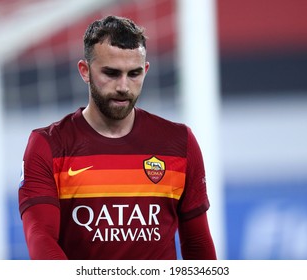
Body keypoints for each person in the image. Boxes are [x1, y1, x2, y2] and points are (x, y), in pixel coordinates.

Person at [18, 15, 217, 260]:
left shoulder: (179, 143)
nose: (123, 86)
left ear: (145, 70)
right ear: (85, 71)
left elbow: (197, 244)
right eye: (111, 73)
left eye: (133, 74)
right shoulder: (48, 145)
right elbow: (40, 237)